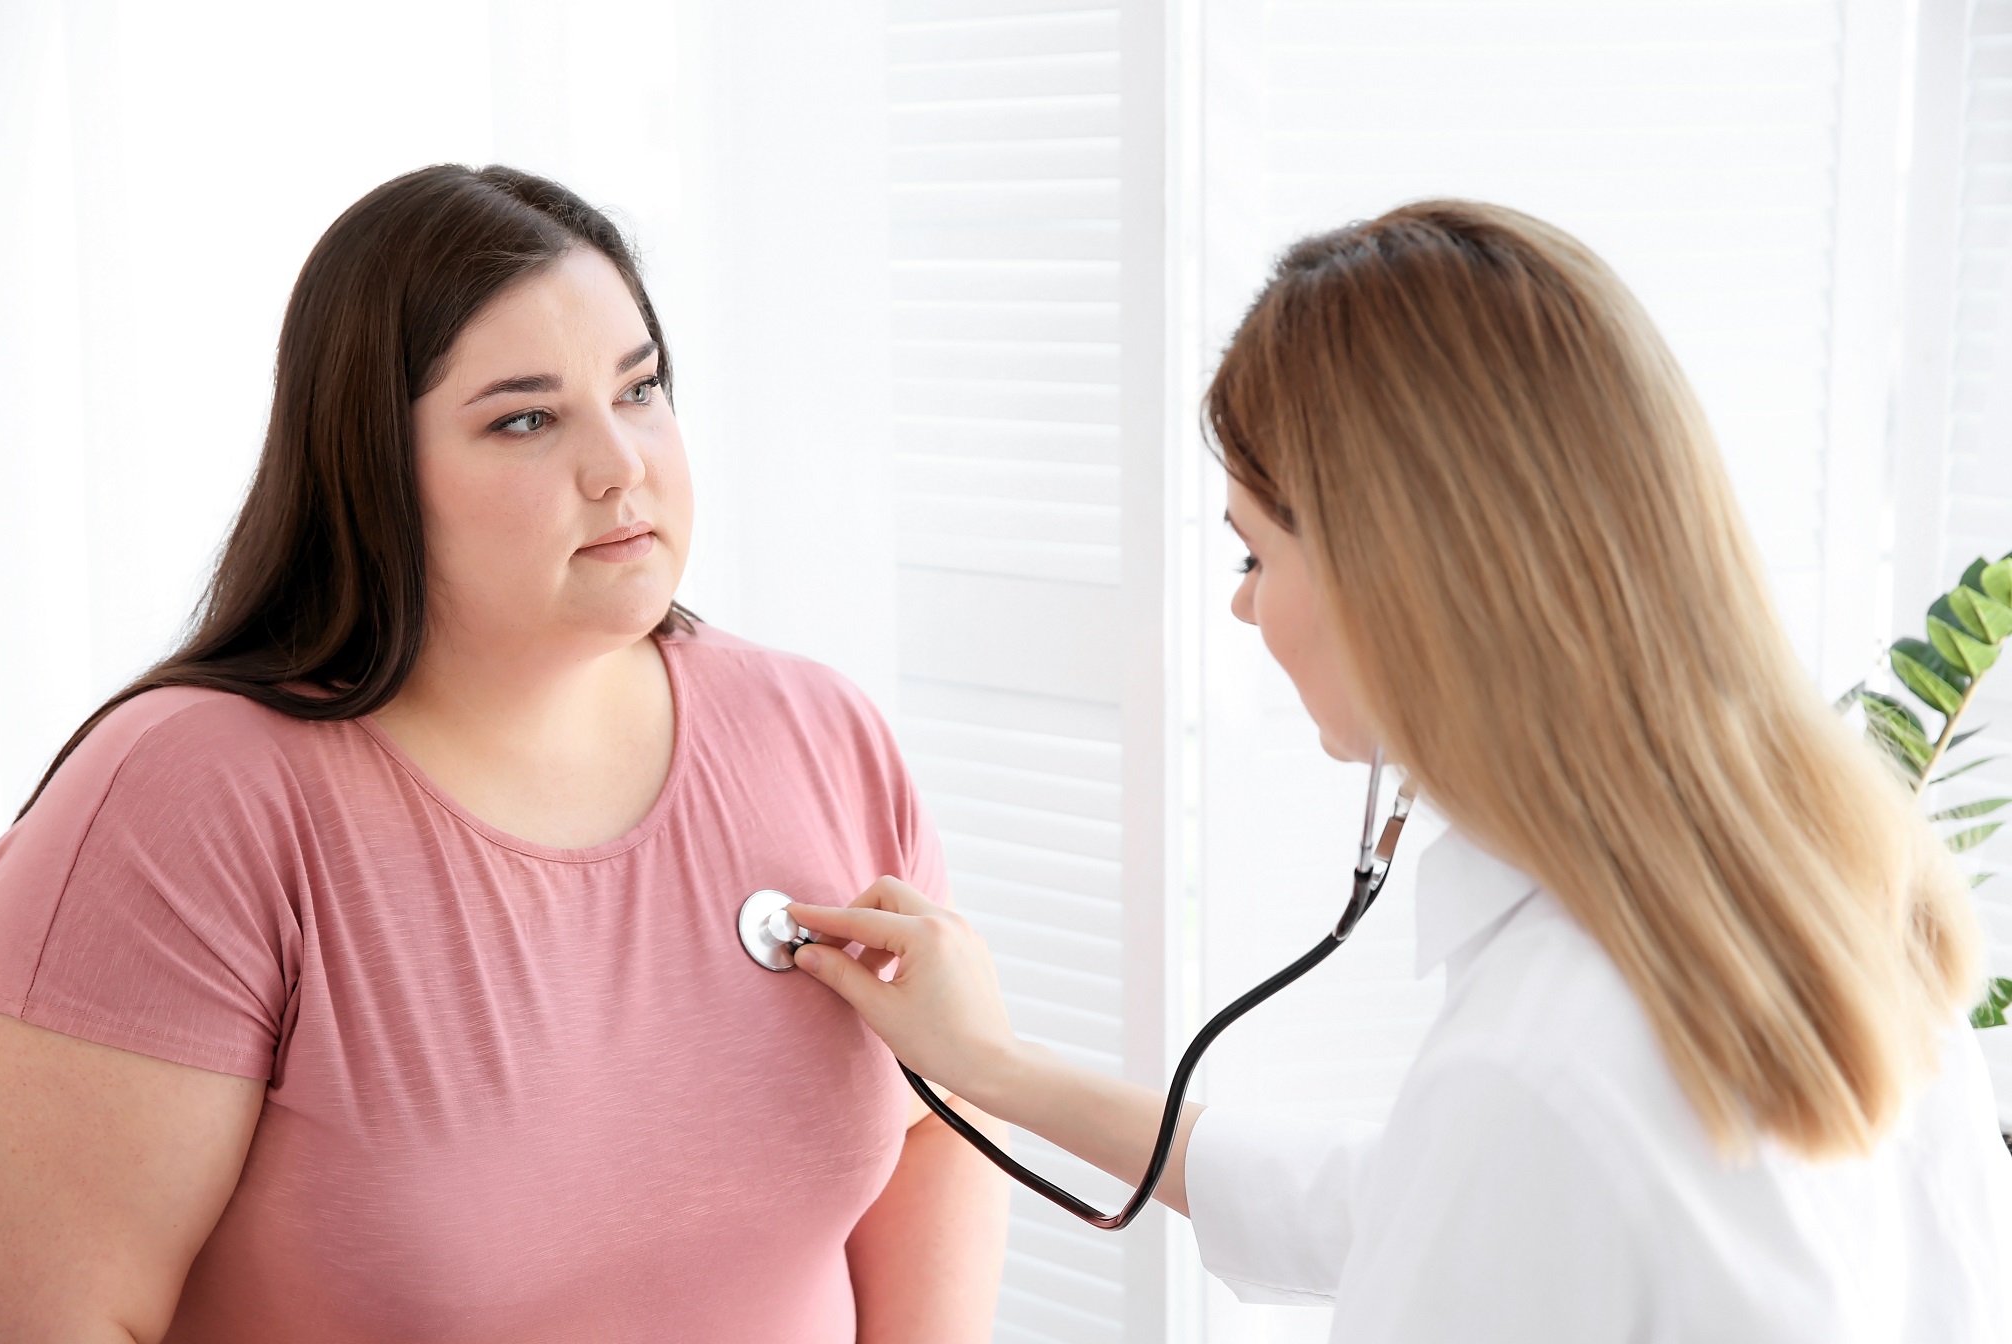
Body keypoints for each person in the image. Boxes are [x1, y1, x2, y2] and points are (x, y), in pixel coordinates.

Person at [787, 201, 2012, 1341]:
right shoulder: (1833, 914)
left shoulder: (1535, 1071)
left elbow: (1481, 1180)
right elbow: (1406, 1203)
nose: (1244, 607)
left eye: (1256, 555)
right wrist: (996, 1069)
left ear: (1398, 580)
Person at [0, 164, 1007, 1344]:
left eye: (640, 388)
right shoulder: (189, 800)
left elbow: (941, 1121)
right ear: (372, 471)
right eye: (526, 419)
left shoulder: (819, 732)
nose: (621, 465)